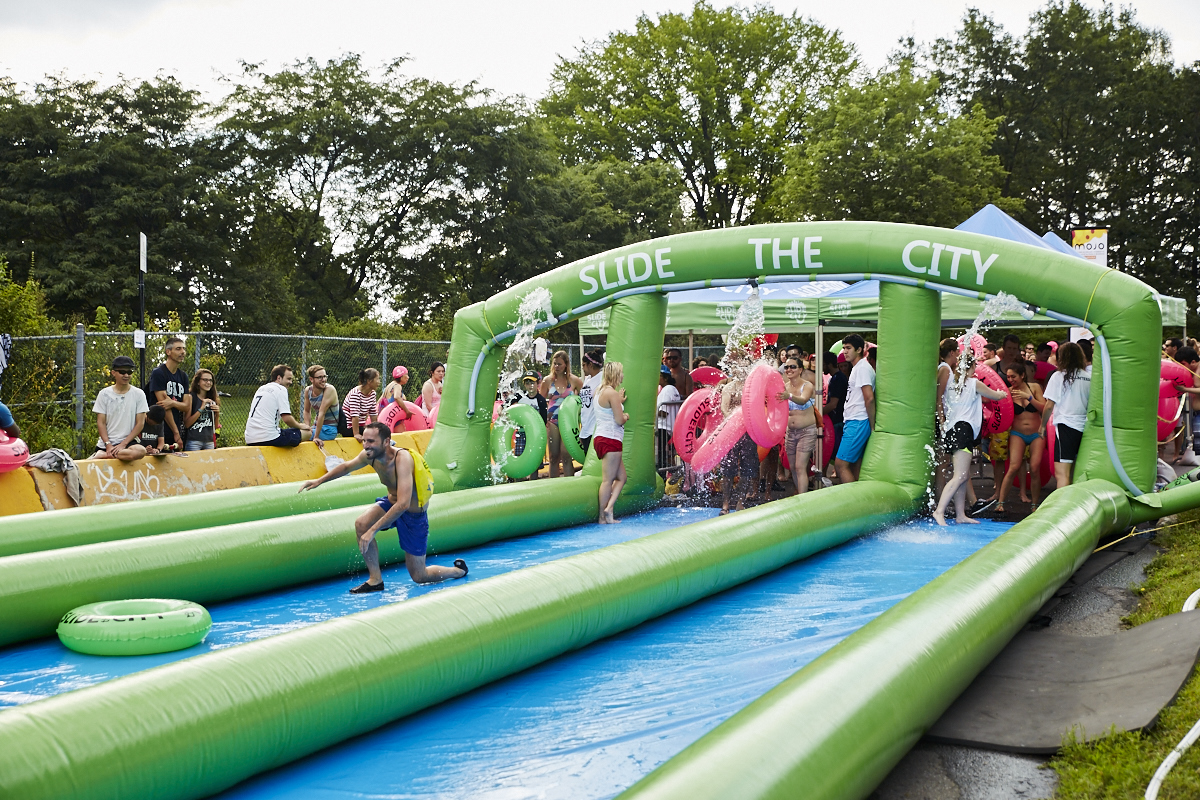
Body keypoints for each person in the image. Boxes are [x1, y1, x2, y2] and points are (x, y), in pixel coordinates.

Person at [299, 422, 466, 590]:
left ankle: (457, 571)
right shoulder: (369, 455)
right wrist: (319, 481)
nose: (366, 445)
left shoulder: (402, 459)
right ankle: (375, 579)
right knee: (362, 524)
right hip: (391, 503)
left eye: (371, 441)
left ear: (386, 441)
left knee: (419, 576)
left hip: (412, 514)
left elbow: (403, 504)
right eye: (364, 440)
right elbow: (346, 466)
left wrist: (373, 531)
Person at [933, 353, 1008, 526]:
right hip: (964, 431)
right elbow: (995, 396)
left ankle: (961, 514)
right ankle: (939, 511)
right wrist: (1003, 394)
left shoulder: (952, 384)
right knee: (960, 476)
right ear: (972, 368)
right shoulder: (974, 383)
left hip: (952, 431)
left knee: (963, 475)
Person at [995, 362, 1048, 513]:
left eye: (1014, 376)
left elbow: (1044, 408)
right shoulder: (1008, 392)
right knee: (1013, 467)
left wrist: (1029, 398)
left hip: (1036, 433)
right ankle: (1000, 503)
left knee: (1034, 467)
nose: (1011, 379)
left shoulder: (1034, 387)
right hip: (1017, 433)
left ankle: (1035, 504)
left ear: (1022, 375)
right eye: (1009, 377)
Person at [1040, 341, 1091, 488]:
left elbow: (1049, 405)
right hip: (1085, 428)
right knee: (1077, 473)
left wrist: (1042, 426)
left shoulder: (1058, 376)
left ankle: (1061, 507)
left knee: (1062, 475)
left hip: (1066, 426)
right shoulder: (1088, 377)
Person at [834, 335, 875, 484]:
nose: (844, 351)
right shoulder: (858, 367)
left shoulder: (862, 368)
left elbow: (869, 398)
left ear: (859, 350)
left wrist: (872, 425)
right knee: (856, 464)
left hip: (858, 420)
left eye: (848, 348)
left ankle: (854, 502)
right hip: (854, 420)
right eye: (844, 348)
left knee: (840, 465)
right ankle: (861, 502)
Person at [92, 355, 149, 461]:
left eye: (130, 372)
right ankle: (105, 452)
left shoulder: (139, 394)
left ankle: (103, 455)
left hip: (129, 444)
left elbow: (140, 423)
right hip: (107, 444)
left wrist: (123, 444)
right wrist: (108, 445)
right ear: (113, 373)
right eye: (122, 372)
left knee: (141, 451)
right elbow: (101, 422)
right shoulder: (104, 394)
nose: (126, 375)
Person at [540, 350, 585, 478]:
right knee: (554, 456)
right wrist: (543, 421)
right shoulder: (548, 381)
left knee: (566, 455)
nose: (557, 367)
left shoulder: (574, 381)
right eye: (555, 364)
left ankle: (569, 485)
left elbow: (585, 400)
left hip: (568, 422)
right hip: (552, 421)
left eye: (559, 364)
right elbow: (541, 402)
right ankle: (553, 485)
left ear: (566, 364)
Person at [244, 364, 313, 447]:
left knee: (286, 431)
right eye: (289, 379)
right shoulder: (281, 389)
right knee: (307, 433)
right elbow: (287, 419)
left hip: (250, 439)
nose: (290, 382)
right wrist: (300, 425)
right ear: (279, 378)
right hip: (268, 438)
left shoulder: (261, 388)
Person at [594, 361, 628, 524]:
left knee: (622, 477)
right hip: (611, 438)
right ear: (615, 374)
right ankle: (603, 515)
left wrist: (619, 401)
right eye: (621, 373)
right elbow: (619, 420)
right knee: (608, 480)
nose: (622, 376)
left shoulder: (600, 391)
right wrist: (626, 416)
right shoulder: (611, 393)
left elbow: (607, 410)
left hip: (601, 437)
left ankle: (609, 509)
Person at [719, 376, 758, 514]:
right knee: (728, 470)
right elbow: (724, 408)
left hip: (749, 433)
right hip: (731, 432)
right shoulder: (729, 388)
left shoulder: (753, 388)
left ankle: (740, 502)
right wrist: (736, 424)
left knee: (748, 469)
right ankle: (725, 504)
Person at [780, 357, 819, 495]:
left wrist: (788, 396)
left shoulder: (807, 385)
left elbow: (802, 400)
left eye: (792, 367)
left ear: (800, 369)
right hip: (790, 432)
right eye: (786, 367)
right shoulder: (784, 387)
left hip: (806, 431)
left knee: (799, 466)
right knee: (792, 467)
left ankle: (803, 501)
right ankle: (801, 494)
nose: (789, 369)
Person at [147, 336, 190, 448]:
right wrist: (176, 433)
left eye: (184, 349)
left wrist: (173, 403)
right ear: (168, 352)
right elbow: (164, 406)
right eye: (178, 349)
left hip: (175, 427)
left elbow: (186, 406)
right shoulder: (159, 373)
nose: (183, 352)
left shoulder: (183, 376)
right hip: (157, 428)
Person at [182, 369, 220, 451]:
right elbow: (187, 424)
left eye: (210, 380)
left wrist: (217, 413)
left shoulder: (212, 399)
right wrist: (201, 408)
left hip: (209, 441)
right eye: (205, 380)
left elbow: (215, 427)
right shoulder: (191, 397)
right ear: (198, 382)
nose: (208, 383)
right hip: (194, 441)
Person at [302, 365, 339, 448]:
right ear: (311, 379)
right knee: (297, 432)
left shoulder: (329, 389)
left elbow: (322, 413)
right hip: (316, 427)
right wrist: (307, 427)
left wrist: (316, 437)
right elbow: (306, 411)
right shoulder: (308, 390)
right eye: (320, 377)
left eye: (325, 376)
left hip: (329, 430)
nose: (323, 380)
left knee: (299, 435)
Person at [341, 368, 380, 442]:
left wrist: (375, 431)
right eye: (377, 379)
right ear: (369, 381)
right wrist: (356, 434)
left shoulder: (372, 394)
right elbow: (355, 416)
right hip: (349, 427)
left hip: (360, 426)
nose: (379, 382)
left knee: (380, 434)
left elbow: (373, 414)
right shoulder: (356, 394)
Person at [824, 355, 849, 465]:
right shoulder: (835, 378)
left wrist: (817, 414)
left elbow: (833, 404)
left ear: (829, 364)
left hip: (838, 421)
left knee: (834, 454)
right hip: (837, 420)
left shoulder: (838, 379)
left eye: (823, 364)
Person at [579, 350, 604, 455]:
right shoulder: (587, 379)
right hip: (586, 427)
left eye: (584, 365)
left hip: (595, 429)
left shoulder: (602, 378)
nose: (582, 368)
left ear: (590, 365)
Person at [656, 367, 681, 469]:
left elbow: (663, 412)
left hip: (664, 426)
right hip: (669, 426)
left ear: (665, 378)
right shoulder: (672, 389)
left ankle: (662, 475)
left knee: (661, 456)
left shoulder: (667, 390)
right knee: (664, 454)